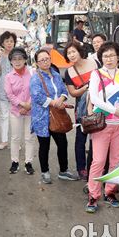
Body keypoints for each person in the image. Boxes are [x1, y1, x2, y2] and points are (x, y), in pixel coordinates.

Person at [86, 42, 119, 213]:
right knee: (98, 161)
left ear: (118, 57)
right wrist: (114, 110)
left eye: (112, 55)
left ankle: (110, 192)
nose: (109, 59)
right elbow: (95, 99)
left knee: (116, 161)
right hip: (102, 124)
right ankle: (93, 195)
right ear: (101, 58)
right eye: (105, 56)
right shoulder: (96, 74)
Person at [30, 49, 75, 184]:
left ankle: (63, 170)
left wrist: (61, 99)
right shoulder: (35, 78)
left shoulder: (55, 74)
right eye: (42, 60)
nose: (45, 61)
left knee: (62, 143)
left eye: (47, 58)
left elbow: (63, 90)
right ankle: (45, 172)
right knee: (44, 145)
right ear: (37, 63)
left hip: (57, 116)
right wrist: (54, 102)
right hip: (42, 117)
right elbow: (37, 96)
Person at [63, 41, 98, 181]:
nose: (71, 55)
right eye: (69, 53)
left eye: (73, 51)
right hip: (82, 108)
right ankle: (81, 168)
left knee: (97, 137)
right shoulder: (69, 72)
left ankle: (94, 167)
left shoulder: (94, 63)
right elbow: (73, 93)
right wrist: (86, 88)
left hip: (98, 105)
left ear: (79, 51)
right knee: (80, 139)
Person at [4, 47, 36, 175]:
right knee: (15, 137)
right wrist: (22, 104)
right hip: (16, 111)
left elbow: (36, 90)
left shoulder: (32, 73)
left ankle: (28, 163)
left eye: (20, 58)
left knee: (30, 138)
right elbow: (9, 94)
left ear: (25, 60)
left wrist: (29, 105)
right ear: (10, 61)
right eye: (14, 59)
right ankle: (14, 162)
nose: (17, 61)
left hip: (31, 110)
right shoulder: (8, 76)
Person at [0, 31, 17, 150]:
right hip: (2, 91)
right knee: (4, 116)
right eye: (7, 41)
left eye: (11, 41)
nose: (9, 43)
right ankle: (4, 140)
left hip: (16, 92)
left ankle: (15, 142)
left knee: (16, 117)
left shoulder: (18, 56)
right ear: (2, 43)